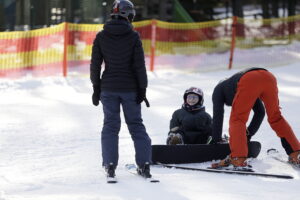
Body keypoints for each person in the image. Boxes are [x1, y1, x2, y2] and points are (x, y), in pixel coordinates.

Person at [90, 0, 152, 180]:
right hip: (130, 89)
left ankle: (109, 165)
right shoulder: (133, 36)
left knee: (110, 126)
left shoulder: (101, 36)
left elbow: (95, 65)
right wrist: (142, 88)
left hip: (108, 88)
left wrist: (96, 87)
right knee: (136, 125)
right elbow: (139, 66)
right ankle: (145, 164)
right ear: (128, 15)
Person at [211, 67, 300, 168]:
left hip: (249, 79)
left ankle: (237, 158)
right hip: (268, 77)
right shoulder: (238, 86)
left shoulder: (218, 90)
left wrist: (216, 139)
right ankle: (295, 153)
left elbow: (218, 116)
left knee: (238, 119)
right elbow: (260, 112)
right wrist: (247, 134)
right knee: (276, 117)